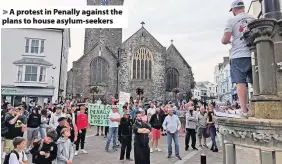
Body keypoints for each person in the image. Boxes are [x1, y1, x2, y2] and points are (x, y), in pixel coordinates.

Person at [222, 0, 254, 117]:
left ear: (234, 10)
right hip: (254, 53)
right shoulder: (253, 18)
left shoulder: (232, 20)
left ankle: (244, 110)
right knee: (255, 80)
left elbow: (225, 39)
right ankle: (258, 104)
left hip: (239, 54)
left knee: (240, 82)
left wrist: (226, 41)